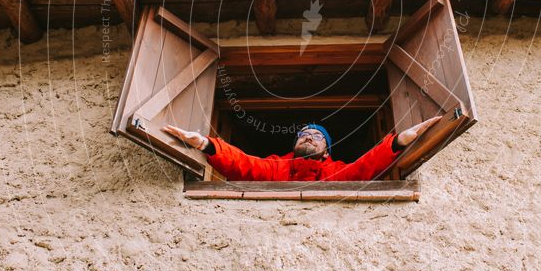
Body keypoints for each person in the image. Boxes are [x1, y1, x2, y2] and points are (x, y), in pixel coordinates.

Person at [162, 116, 441, 181]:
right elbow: (243, 163)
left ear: (327, 150)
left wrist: (397, 141)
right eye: (303, 135)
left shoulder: (336, 170)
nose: (308, 137)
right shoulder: (276, 166)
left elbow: (365, 166)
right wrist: (206, 144)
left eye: (316, 136)